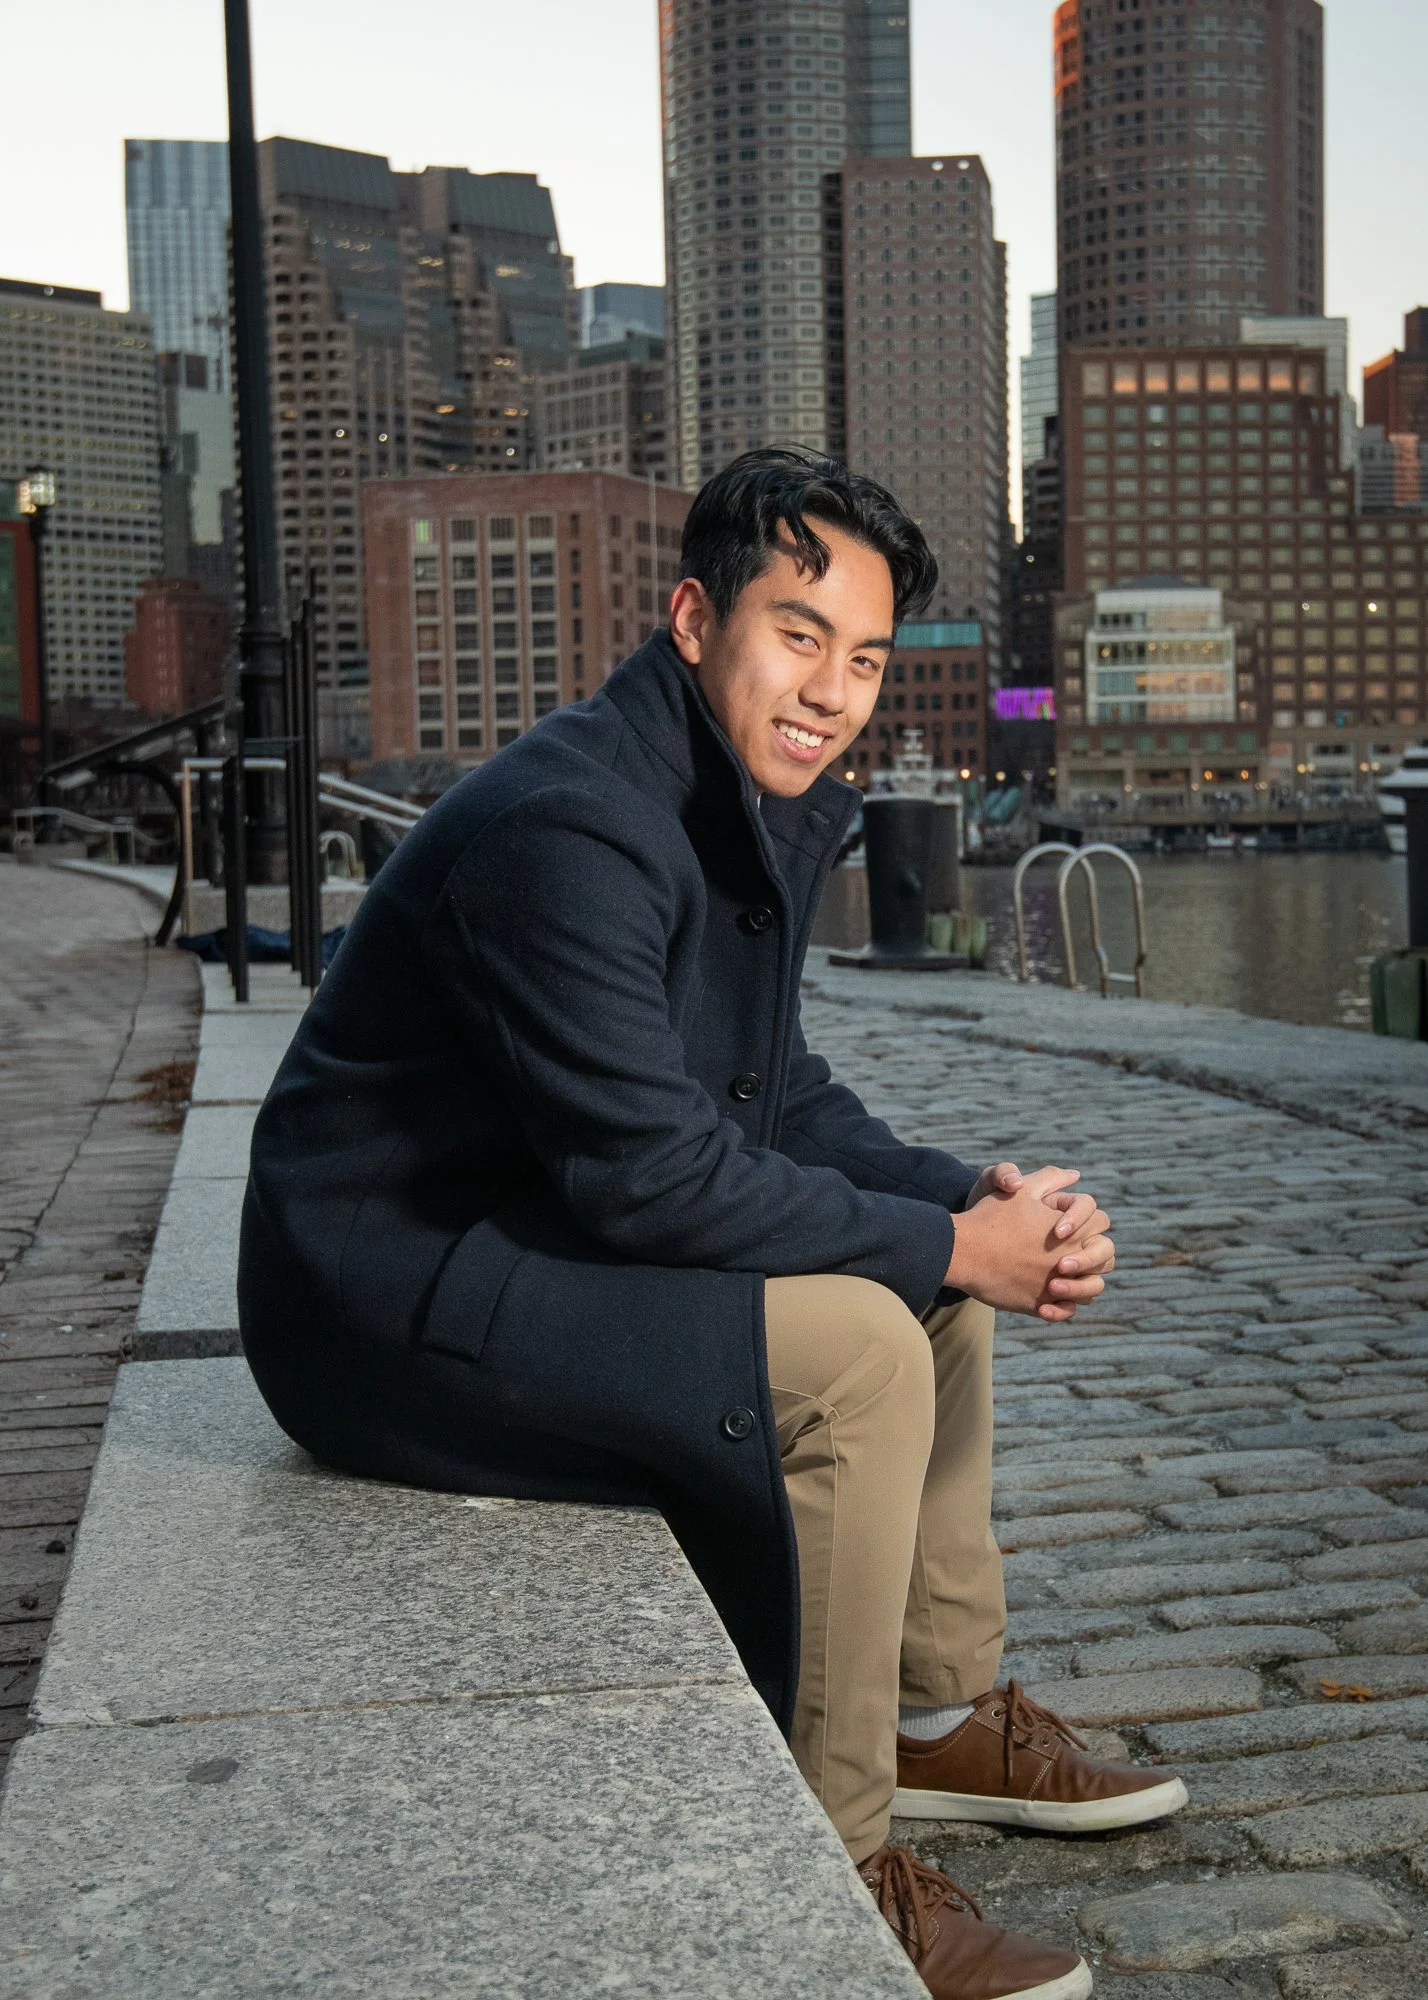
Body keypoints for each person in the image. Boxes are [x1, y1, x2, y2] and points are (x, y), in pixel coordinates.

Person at [239, 449, 1186, 2000]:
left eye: (864, 658)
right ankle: (833, 1867)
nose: (832, 692)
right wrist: (955, 1245)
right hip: (387, 1291)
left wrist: (962, 1199)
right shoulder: (574, 824)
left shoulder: (721, 793)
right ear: (695, 620)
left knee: (931, 1283)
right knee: (866, 1348)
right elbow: (654, 1177)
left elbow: (772, 1094)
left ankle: (935, 1714)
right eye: (798, 636)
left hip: (520, 1231)